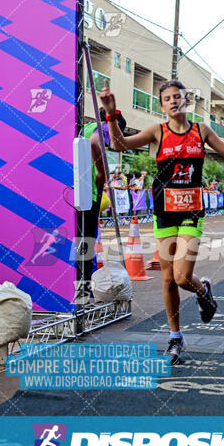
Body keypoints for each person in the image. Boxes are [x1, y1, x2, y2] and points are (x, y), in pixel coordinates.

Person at [99, 79, 224, 365]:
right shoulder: (157, 132)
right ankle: (175, 337)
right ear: (162, 105)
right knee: (168, 279)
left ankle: (203, 290)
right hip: (164, 212)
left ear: (186, 100)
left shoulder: (202, 131)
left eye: (177, 96)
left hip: (191, 211)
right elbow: (119, 144)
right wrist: (110, 114)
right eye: (167, 98)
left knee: (183, 277)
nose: (173, 101)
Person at [79, 97, 126, 302]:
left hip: (76, 191)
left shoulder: (87, 126)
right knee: (87, 242)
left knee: (80, 241)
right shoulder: (102, 130)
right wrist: (101, 173)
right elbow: (95, 143)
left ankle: (80, 287)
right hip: (88, 194)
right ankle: (84, 291)